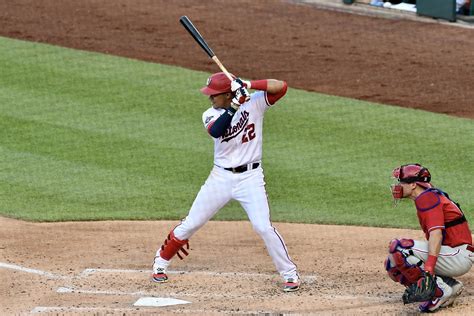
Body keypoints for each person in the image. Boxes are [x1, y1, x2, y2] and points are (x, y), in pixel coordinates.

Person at [151, 72, 300, 292]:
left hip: (251, 177)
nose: (210, 98)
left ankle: (290, 274)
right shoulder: (210, 114)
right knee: (192, 223)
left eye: (214, 94)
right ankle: (160, 262)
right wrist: (234, 106)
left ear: (228, 94)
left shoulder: (255, 103)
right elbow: (217, 130)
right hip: (220, 178)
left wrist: (248, 84)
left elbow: (282, 86)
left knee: (263, 226)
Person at [385, 163, 473, 312]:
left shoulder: (427, 198)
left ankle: (439, 291)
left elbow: (436, 234)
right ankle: (450, 285)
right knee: (392, 265)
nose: (398, 186)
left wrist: (429, 267)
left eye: (401, 182)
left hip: (458, 255)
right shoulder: (430, 195)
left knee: (400, 248)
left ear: (413, 184)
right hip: (455, 254)